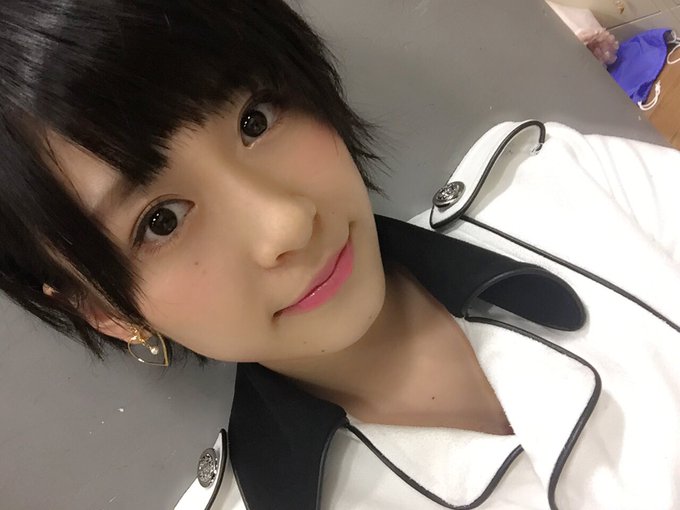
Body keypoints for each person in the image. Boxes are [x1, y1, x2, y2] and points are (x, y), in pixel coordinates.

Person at [1, 2, 679, 510]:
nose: (287, 223)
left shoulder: (573, 186)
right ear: (104, 310)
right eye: (161, 220)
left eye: (256, 119)